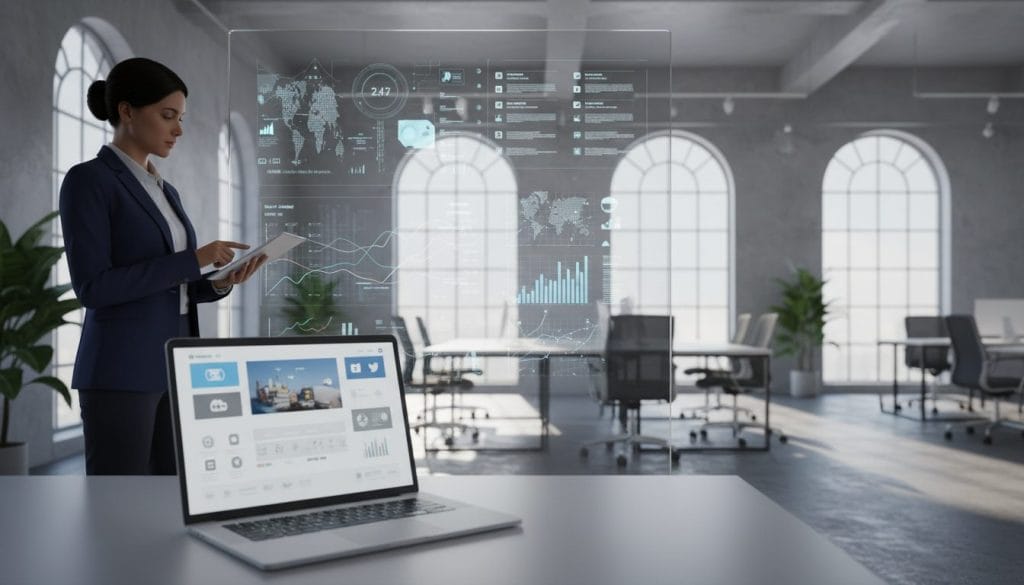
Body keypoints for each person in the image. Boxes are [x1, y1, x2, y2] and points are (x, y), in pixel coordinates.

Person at [58, 57, 266, 475]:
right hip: (120, 371)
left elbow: (175, 285)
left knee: (171, 496)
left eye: (181, 117)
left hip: (176, 366)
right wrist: (193, 259)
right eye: (167, 116)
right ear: (127, 111)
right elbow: (94, 288)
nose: (179, 130)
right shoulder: (89, 181)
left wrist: (221, 281)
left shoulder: (165, 190)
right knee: (118, 504)